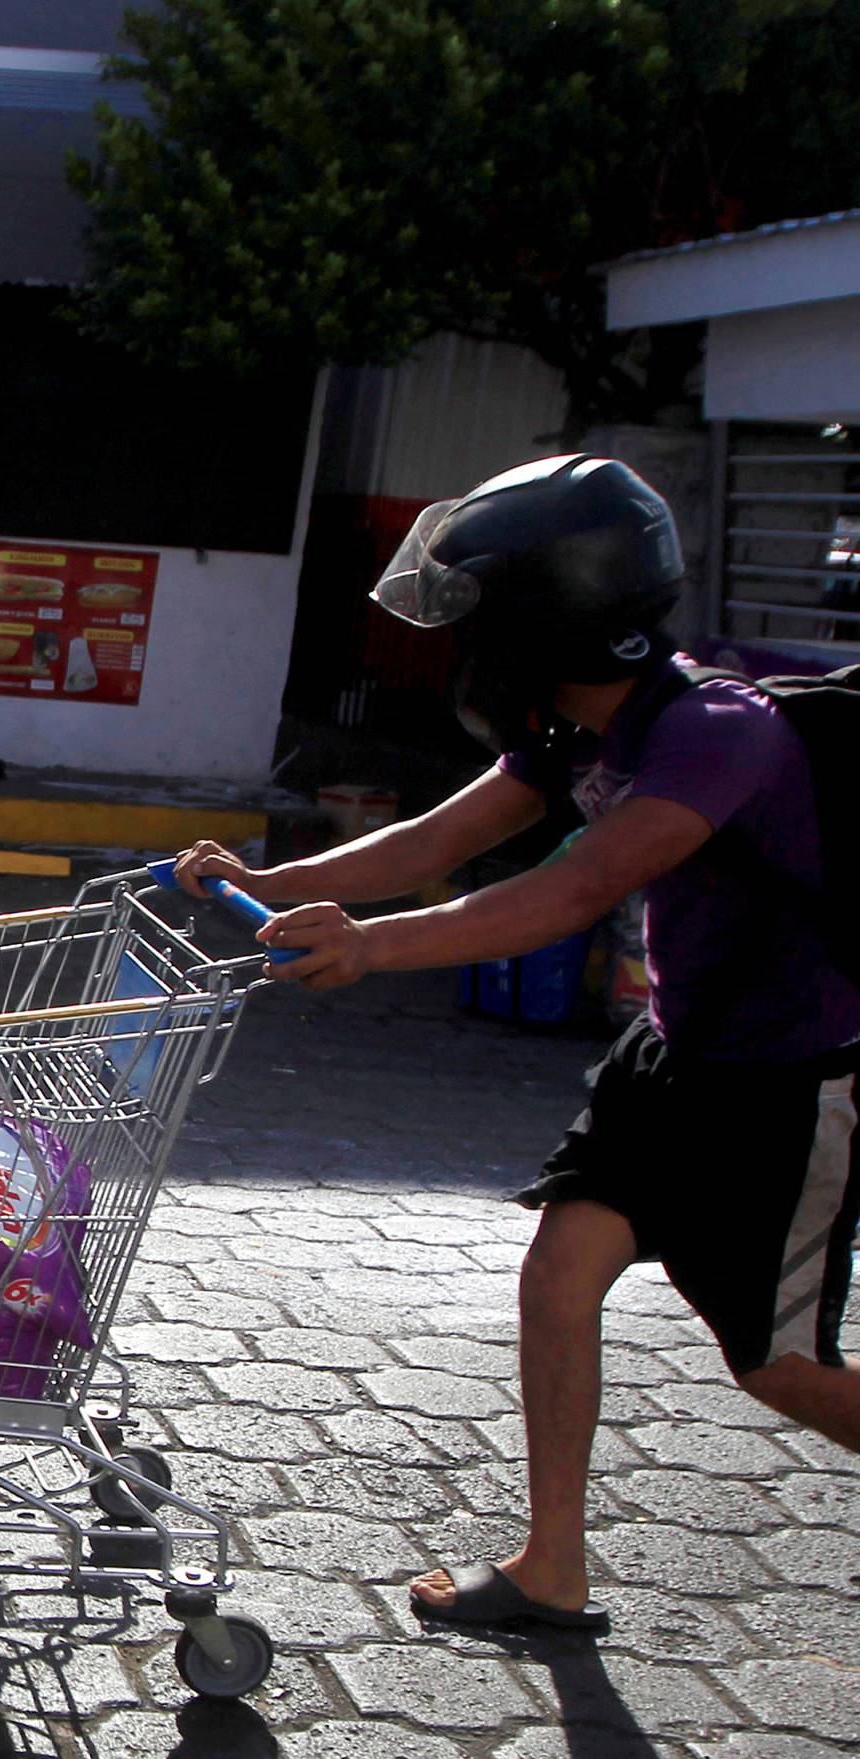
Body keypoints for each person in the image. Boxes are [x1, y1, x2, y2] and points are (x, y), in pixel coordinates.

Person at [178, 453, 860, 1635]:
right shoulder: (580, 728)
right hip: (677, 1055)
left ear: (551, 620)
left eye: (482, 619)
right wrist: (269, 881)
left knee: (776, 1368)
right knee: (559, 1274)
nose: (466, 648)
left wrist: (372, 951)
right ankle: (553, 1566)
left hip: (793, 1084)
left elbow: (573, 893)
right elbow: (428, 848)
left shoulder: (712, 733)